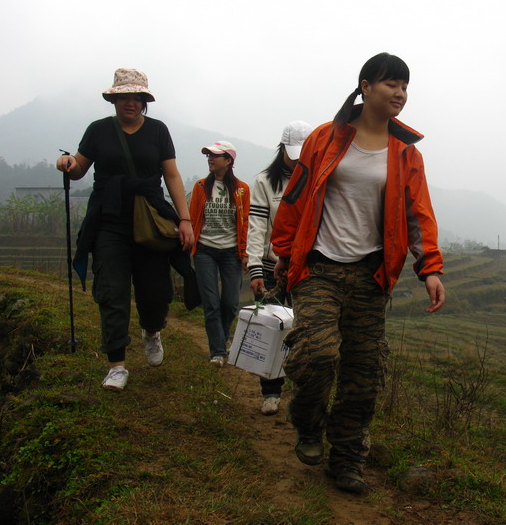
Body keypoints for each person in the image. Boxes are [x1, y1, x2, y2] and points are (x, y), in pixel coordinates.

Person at [271, 52, 445, 494]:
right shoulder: (325, 139)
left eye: (405, 86)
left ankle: (347, 459)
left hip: (371, 277)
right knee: (316, 357)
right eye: (391, 84)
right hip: (319, 269)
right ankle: (308, 423)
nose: (400, 93)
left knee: (362, 377)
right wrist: (283, 253)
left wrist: (430, 269)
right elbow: (295, 198)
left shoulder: (405, 153)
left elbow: (418, 214)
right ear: (365, 86)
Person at [56, 68, 194, 391]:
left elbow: (172, 176)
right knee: (113, 292)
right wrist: (67, 164)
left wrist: (184, 219)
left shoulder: (158, 131)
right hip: (110, 221)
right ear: (114, 99)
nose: (130, 103)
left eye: (136, 98)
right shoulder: (98, 131)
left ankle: (152, 329)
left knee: (155, 291)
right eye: (123, 97)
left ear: (144, 101)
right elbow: (78, 168)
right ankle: (116, 364)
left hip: (150, 219)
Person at [247, 120, 313, 415]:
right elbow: (256, 227)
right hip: (272, 265)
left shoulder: (316, 180)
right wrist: (255, 269)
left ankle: (303, 389)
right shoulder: (264, 182)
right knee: (271, 330)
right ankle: (270, 391)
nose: (297, 160)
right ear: (282, 149)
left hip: (308, 270)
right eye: (292, 153)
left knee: (306, 330)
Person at [188, 141, 250, 366]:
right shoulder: (200, 186)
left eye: (215, 155)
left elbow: (245, 224)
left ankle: (222, 340)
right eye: (208, 156)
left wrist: (244, 252)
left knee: (231, 302)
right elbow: (194, 217)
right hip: (205, 250)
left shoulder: (242, 189)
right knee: (211, 302)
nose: (210, 159)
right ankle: (217, 351)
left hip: (230, 252)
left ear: (229, 161)